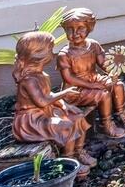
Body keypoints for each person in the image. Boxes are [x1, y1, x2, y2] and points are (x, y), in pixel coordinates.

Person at [11, 31, 94, 174]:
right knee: (66, 125)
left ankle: (79, 152)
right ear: (38, 55)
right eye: (50, 50)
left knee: (78, 116)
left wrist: (64, 105)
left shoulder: (43, 75)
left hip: (44, 115)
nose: (53, 53)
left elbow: (49, 95)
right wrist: (65, 93)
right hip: (30, 122)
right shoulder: (29, 80)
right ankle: (68, 161)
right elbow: (42, 101)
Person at [57, 8, 125, 138]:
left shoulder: (93, 45)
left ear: (90, 28)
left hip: (93, 78)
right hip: (75, 89)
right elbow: (68, 78)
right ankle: (106, 125)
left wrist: (112, 70)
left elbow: (103, 63)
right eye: (70, 29)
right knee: (103, 95)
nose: (75, 33)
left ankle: (122, 113)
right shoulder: (64, 54)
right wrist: (92, 86)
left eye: (80, 28)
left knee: (118, 85)